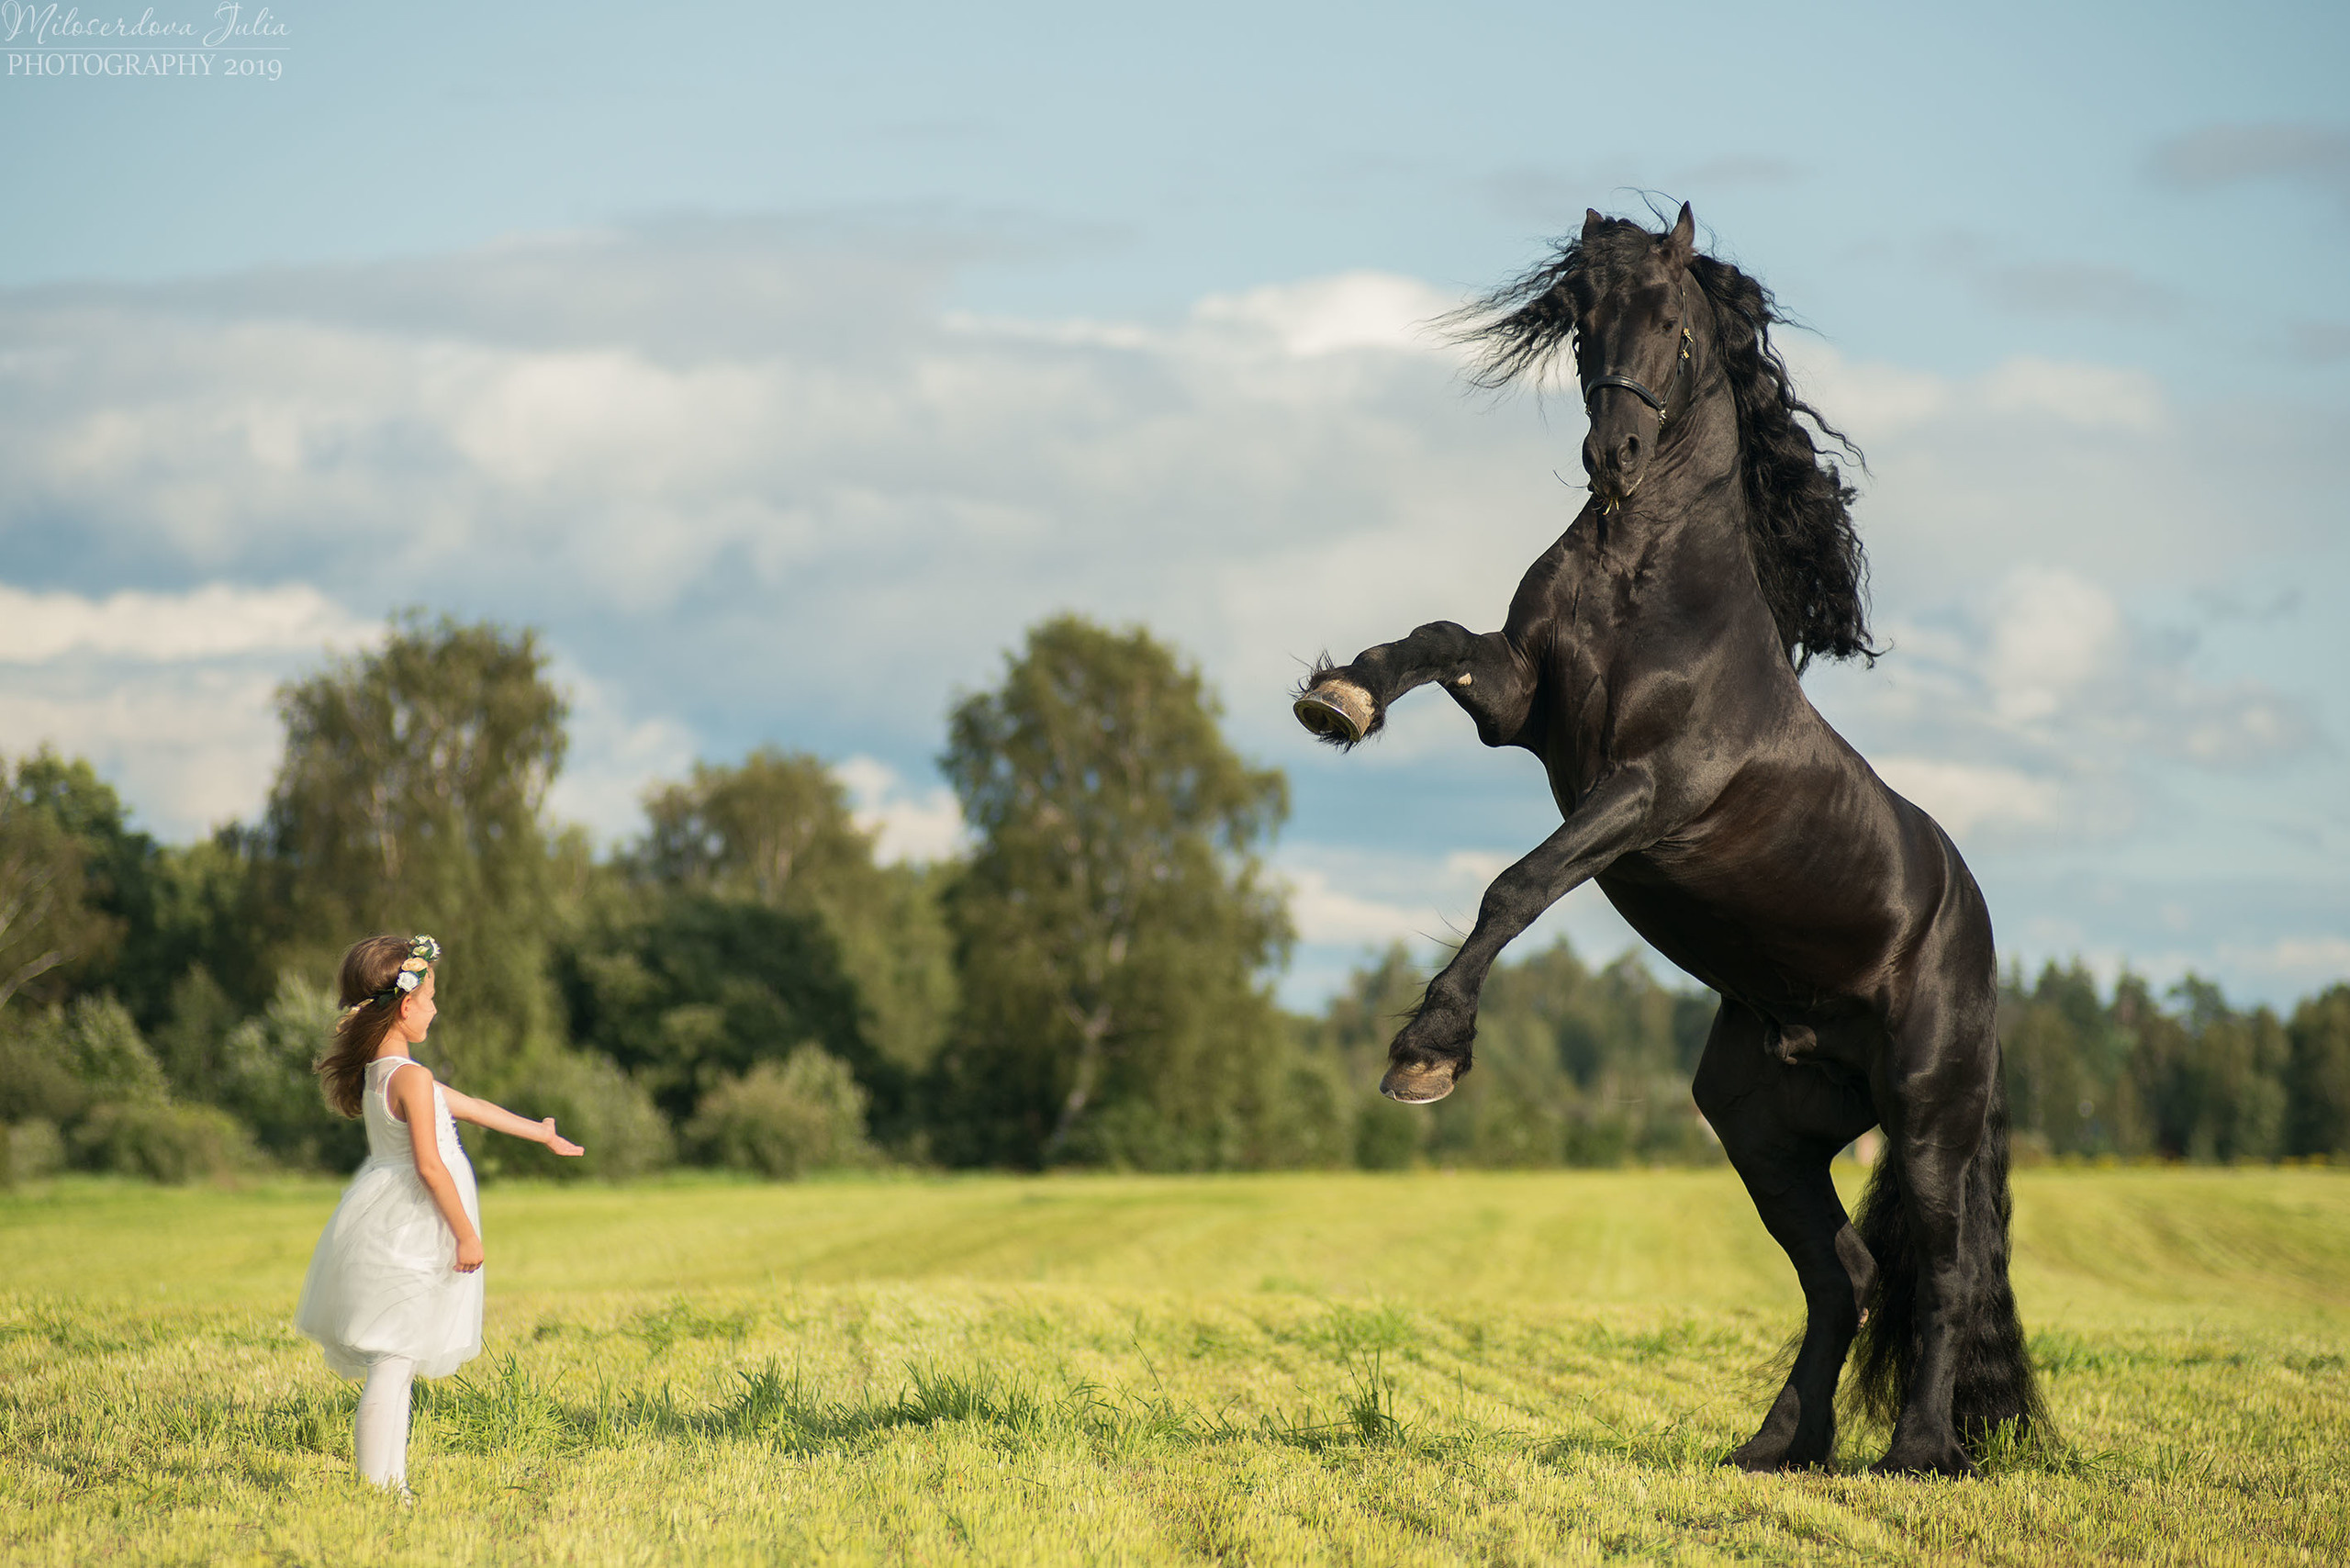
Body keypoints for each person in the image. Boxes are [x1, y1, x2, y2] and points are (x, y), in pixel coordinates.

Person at [294, 934, 584, 1497]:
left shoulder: (386, 1073)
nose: (435, 1008)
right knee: (394, 1362)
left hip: (390, 1224)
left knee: (394, 1362)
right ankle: (381, 1488)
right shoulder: (411, 1077)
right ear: (405, 1006)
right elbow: (430, 1166)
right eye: (430, 998)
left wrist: (539, 1133)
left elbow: (470, 1107)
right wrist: (466, 1235)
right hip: (413, 1232)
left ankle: (388, 1482)